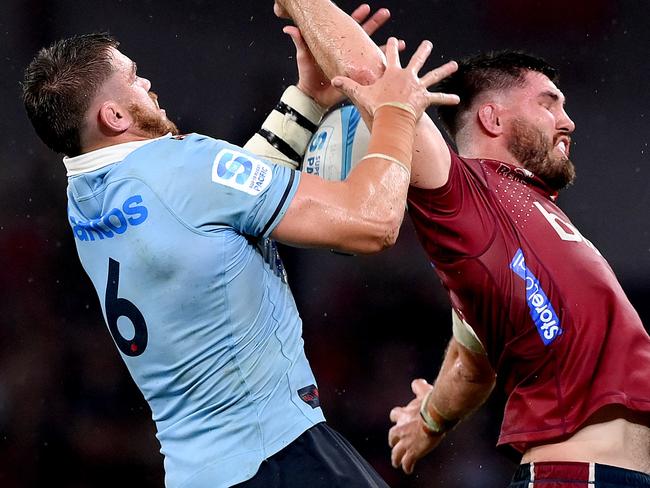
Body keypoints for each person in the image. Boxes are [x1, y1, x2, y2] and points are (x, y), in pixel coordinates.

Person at [20, 7, 462, 487]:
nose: (147, 82)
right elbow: (370, 223)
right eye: (132, 77)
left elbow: (218, 204)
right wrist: (397, 111)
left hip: (199, 473)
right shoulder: (181, 166)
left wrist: (308, 99)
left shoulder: (86, 196)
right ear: (115, 114)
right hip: (277, 457)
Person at [273, 1, 650, 486]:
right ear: (492, 118)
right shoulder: (468, 193)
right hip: (577, 477)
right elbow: (375, 80)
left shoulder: (517, 218)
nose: (568, 120)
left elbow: (471, 361)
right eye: (549, 102)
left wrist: (429, 420)